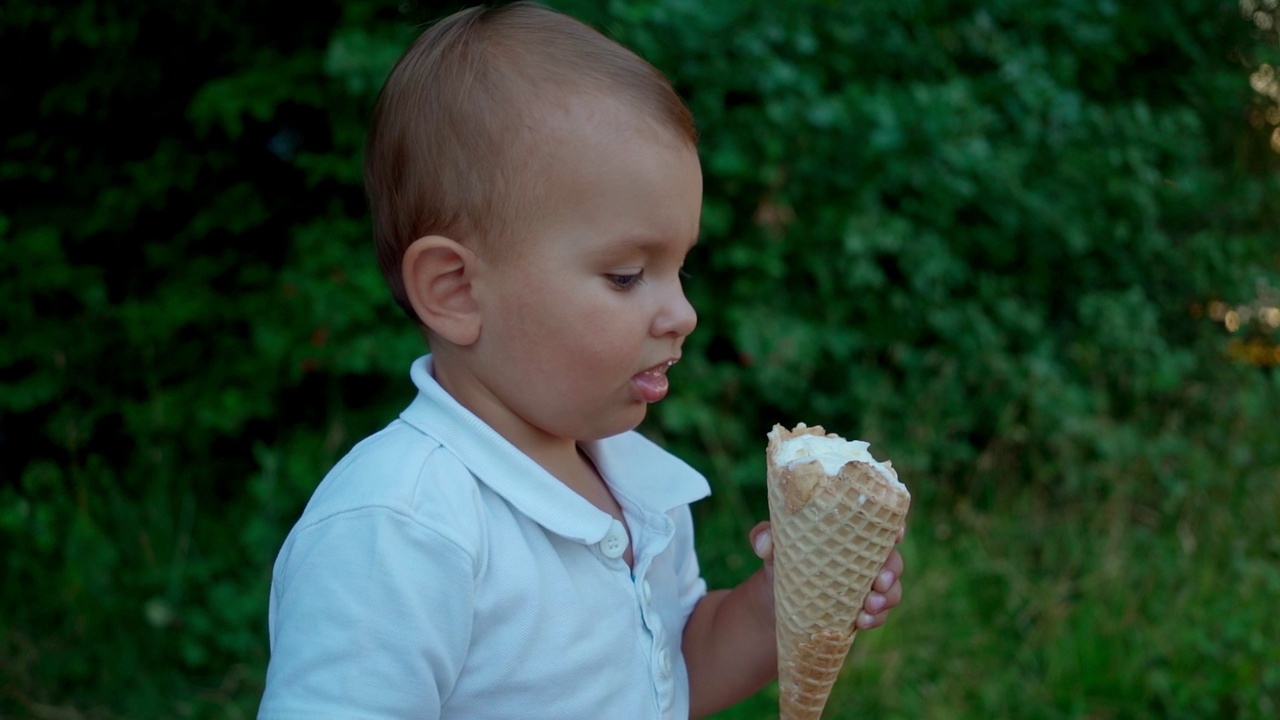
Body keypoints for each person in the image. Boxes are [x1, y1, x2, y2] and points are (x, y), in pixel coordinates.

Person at [257, 3, 905, 718]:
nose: (683, 314)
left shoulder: (636, 483)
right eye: (627, 275)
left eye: (679, 270)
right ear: (457, 291)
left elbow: (672, 680)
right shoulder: (400, 527)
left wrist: (784, 599)